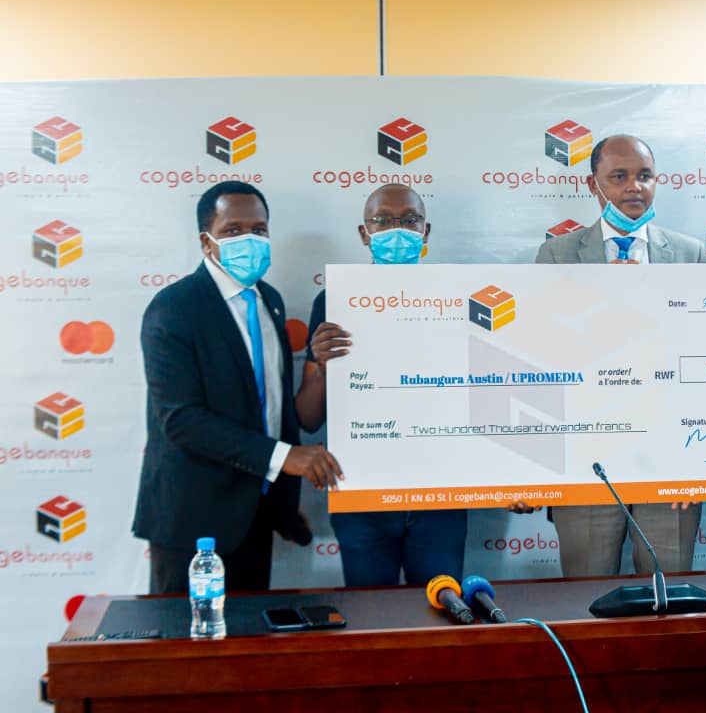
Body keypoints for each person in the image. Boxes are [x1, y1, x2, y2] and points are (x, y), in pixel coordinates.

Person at [133, 181, 344, 594]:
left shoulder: (270, 301)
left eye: (260, 230)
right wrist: (286, 458)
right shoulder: (173, 309)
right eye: (233, 230)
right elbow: (182, 421)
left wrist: (284, 503)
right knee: (186, 653)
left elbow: (275, 407)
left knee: (245, 650)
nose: (250, 239)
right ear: (206, 241)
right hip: (192, 524)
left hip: (255, 516)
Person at [530, 134, 706, 577]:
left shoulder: (690, 255)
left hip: (670, 461)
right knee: (587, 597)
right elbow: (539, 360)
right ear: (594, 185)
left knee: (668, 598)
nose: (634, 187)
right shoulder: (557, 256)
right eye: (619, 177)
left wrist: (696, 460)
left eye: (644, 176)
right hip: (586, 458)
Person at [295, 183, 468, 587]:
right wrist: (320, 366)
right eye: (383, 221)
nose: (398, 230)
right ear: (363, 233)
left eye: (410, 220)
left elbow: (485, 391)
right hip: (363, 497)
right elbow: (307, 417)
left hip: (438, 495)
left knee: (443, 618)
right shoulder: (334, 300)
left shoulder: (459, 298)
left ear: (426, 232)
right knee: (373, 622)